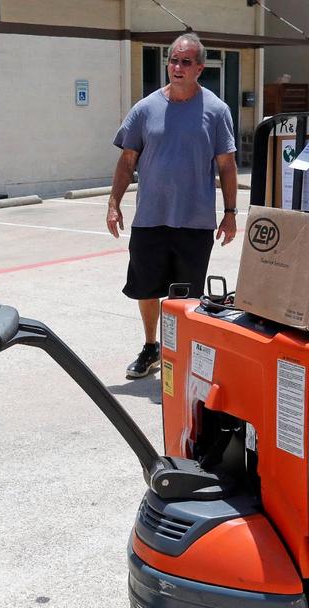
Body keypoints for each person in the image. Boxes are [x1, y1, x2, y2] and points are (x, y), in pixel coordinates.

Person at [106, 33, 238, 379]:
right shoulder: (145, 108)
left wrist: (230, 213)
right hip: (151, 218)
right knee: (146, 288)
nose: (177, 67)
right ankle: (151, 347)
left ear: (200, 68)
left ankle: (182, 356)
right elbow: (127, 159)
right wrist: (113, 202)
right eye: (173, 60)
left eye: (185, 62)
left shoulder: (217, 110)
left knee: (186, 298)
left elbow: (226, 165)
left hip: (194, 222)